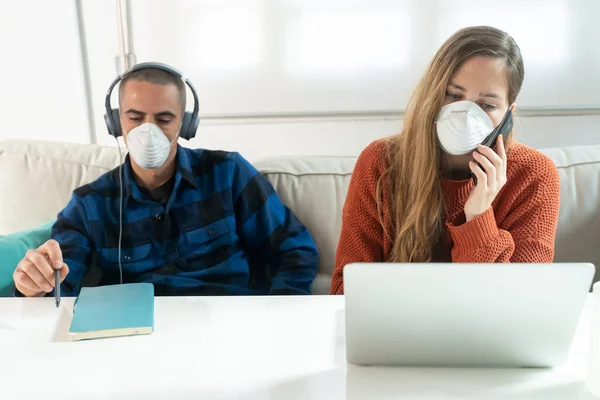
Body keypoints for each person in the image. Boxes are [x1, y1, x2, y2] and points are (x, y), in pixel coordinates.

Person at [13, 63, 318, 297]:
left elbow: (295, 250)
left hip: (228, 332)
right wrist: (35, 284)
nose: (149, 130)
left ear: (185, 124)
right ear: (116, 121)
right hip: (136, 340)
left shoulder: (228, 173)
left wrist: (277, 317)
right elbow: (60, 284)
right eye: (135, 117)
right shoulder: (90, 204)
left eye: (163, 119)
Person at [330, 26, 560, 294]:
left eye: (486, 105)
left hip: (484, 336)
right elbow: (345, 292)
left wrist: (478, 215)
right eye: (453, 95)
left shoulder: (534, 175)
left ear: (508, 114)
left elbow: (522, 301)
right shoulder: (380, 162)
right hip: (399, 333)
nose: (464, 114)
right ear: (433, 94)